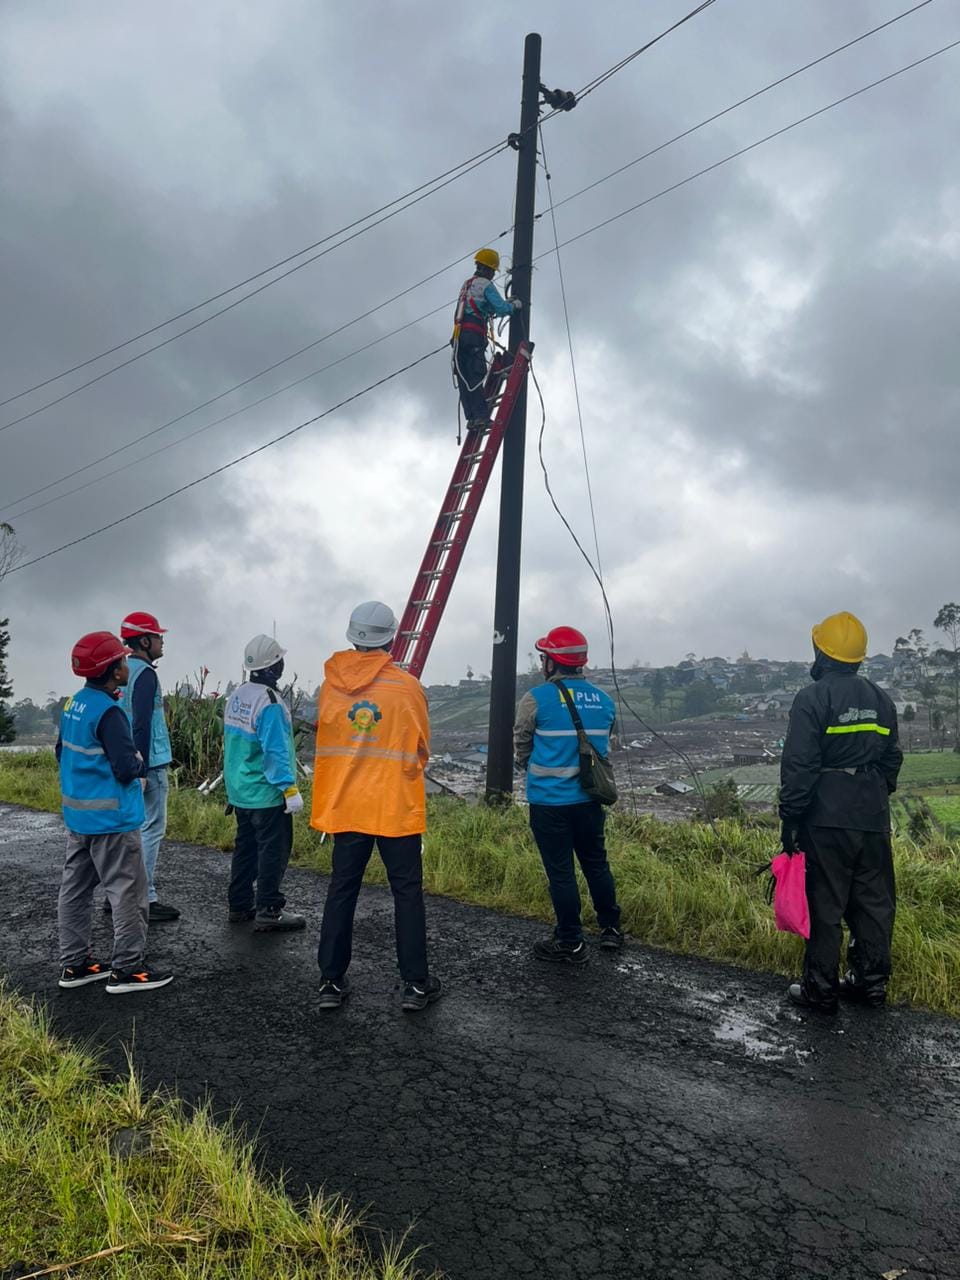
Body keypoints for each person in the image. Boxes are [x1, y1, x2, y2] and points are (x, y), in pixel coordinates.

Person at [311, 601, 440, 1012]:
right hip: (394, 807)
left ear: (352, 636)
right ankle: (415, 986)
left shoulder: (330, 685)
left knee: (341, 890)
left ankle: (330, 982)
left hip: (346, 805)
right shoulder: (407, 687)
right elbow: (421, 750)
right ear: (392, 637)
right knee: (407, 893)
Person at [780, 611, 902, 1014]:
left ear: (821, 650)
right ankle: (870, 984)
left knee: (826, 904)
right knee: (873, 902)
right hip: (871, 816)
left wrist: (791, 818)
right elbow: (891, 759)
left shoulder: (812, 698)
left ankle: (821, 989)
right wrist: (872, 793)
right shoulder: (880, 699)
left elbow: (799, 766)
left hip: (825, 817)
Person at [57, 631, 174, 993]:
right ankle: (127, 970)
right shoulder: (109, 712)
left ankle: (75, 965)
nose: (127, 665)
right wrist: (140, 763)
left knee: (74, 892)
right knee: (128, 893)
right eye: (122, 661)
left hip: (79, 818)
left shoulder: (73, 703)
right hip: (113, 820)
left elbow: (61, 753)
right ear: (112, 670)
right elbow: (126, 766)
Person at [514, 626, 623, 963]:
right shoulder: (604, 701)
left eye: (545, 656)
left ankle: (571, 941)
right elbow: (606, 741)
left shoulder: (537, 698)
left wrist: (526, 763)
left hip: (549, 804)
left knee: (561, 872)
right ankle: (611, 929)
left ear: (551, 662)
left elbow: (521, 742)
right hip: (590, 800)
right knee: (596, 863)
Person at [223, 634, 306, 932]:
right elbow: (275, 751)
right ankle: (270, 908)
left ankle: (239, 904)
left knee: (245, 849)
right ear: (275, 667)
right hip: (265, 792)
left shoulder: (238, 695)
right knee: (273, 850)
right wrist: (289, 789)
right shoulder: (270, 702)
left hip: (240, 791)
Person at [117, 610, 179, 922]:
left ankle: (122, 895)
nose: (161, 641)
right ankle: (145, 896)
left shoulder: (121, 671)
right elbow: (141, 723)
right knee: (151, 828)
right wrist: (141, 768)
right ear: (144, 640)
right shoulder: (145, 674)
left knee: (131, 829)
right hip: (149, 764)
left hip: (126, 761)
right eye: (157, 636)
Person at [451, 247, 521, 428]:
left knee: (464, 378)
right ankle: (481, 417)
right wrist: (514, 306)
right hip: (473, 337)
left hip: (458, 339)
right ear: (489, 269)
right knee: (474, 376)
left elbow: (479, 308)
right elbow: (501, 309)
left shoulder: (467, 284)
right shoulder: (486, 285)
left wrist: (497, 307)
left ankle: (472, 419)